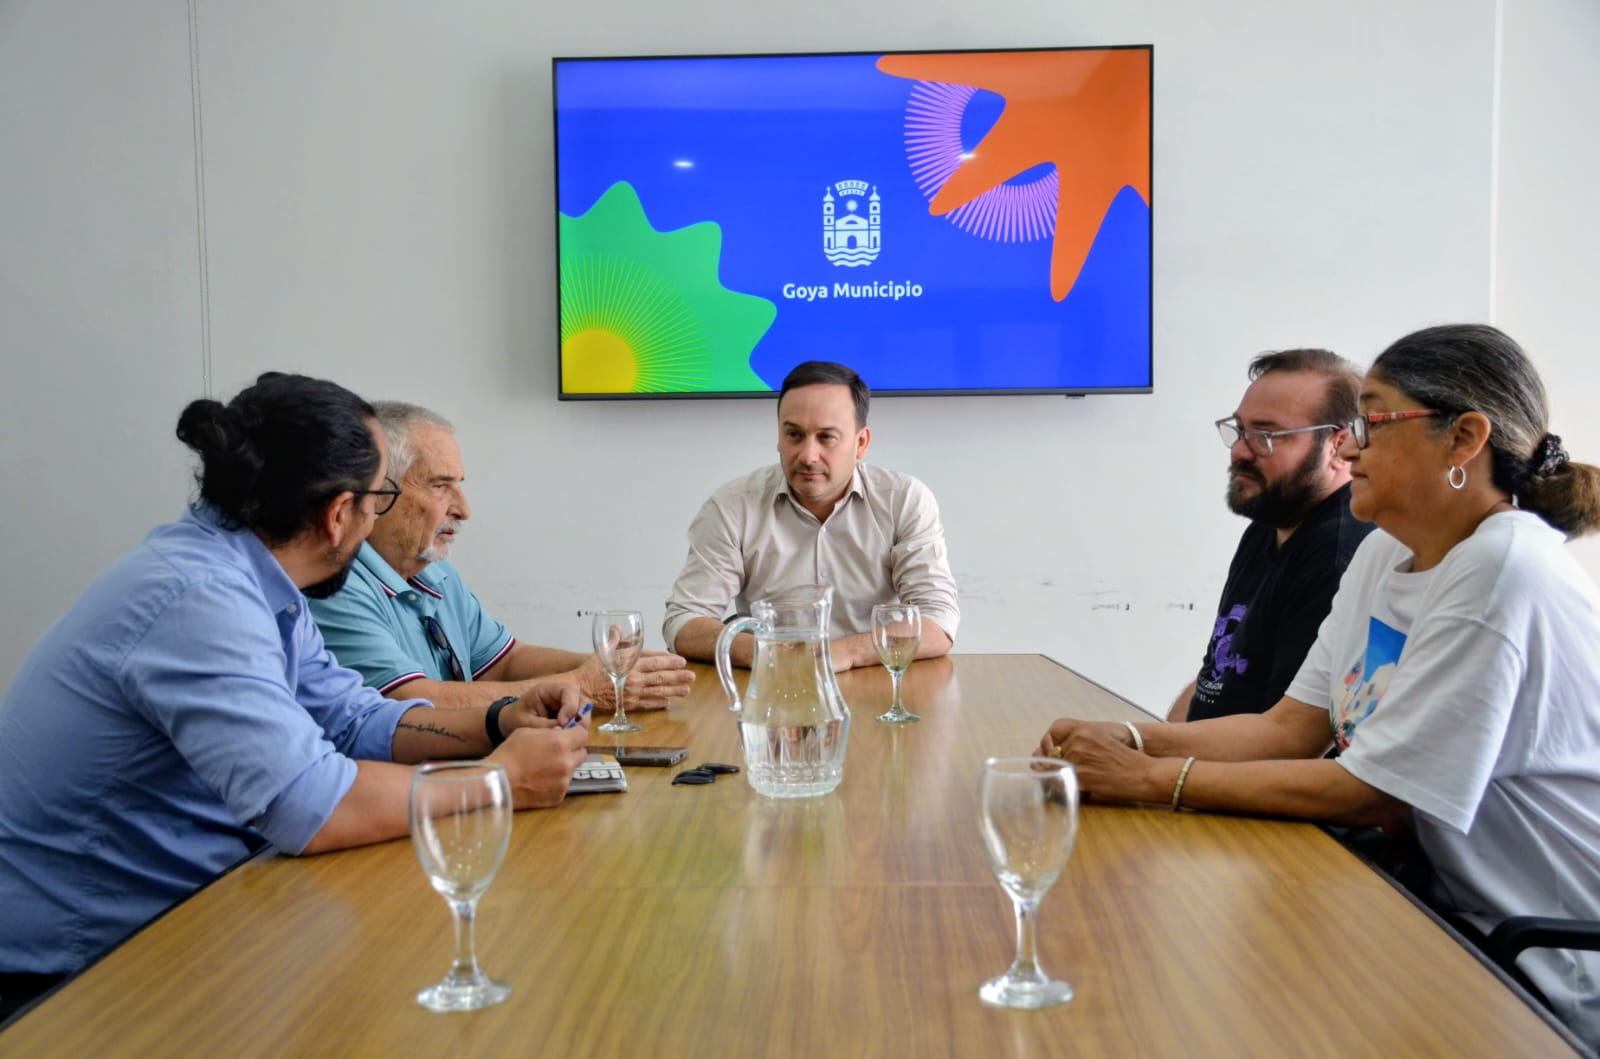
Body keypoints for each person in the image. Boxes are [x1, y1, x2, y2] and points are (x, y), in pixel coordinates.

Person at [1040, 324, 1600, 1047]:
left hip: (1540, 962)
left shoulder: (1504, 567)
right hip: (1434, 908)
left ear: (1463, 439)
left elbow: (1372, 786)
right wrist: (1132, 736)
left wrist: (1148, 777)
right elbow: (1291, 727)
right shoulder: (1385, 553)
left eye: (1373, 420)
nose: (1352, 445)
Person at [0, 375, 589, 1022]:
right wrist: (497, 783)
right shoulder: (199, 597)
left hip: (197, 918)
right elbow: (310, 804)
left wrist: (500, 718)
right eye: (379, 498)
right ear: (340, 513)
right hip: (79, 977)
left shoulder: (252, 572)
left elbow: (353, 717)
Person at [307, 402, 694, 713]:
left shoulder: (436, 572)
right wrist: (582, 686)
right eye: (440, 486)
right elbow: (412, 703)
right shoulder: (334, 583)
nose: (463, 509)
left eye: (459, 485)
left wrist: (611, 667)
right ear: (377, 491)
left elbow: (502, 662)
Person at [663, 360, 960, 670]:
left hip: (879, 684)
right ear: (778, 437)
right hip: (776, 687)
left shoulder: (903, 500)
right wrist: (764, 651)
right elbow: (683, 622)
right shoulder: (733, 506)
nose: (807, 456)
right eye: (794, 435)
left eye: (826, 437)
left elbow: (937, 621)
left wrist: (846, 652)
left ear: (861, 443)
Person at [1171, 348, 1374, 721]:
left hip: (1239, 775)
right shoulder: (1269, 523)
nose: (1238, 452)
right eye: (1239, 430)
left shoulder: (1337, 555)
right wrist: (1143, 745)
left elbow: (1285, 742)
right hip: (1198, 765)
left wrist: (1142, 756)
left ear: (1338, 446)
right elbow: (1216, 674)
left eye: (1266, 435)